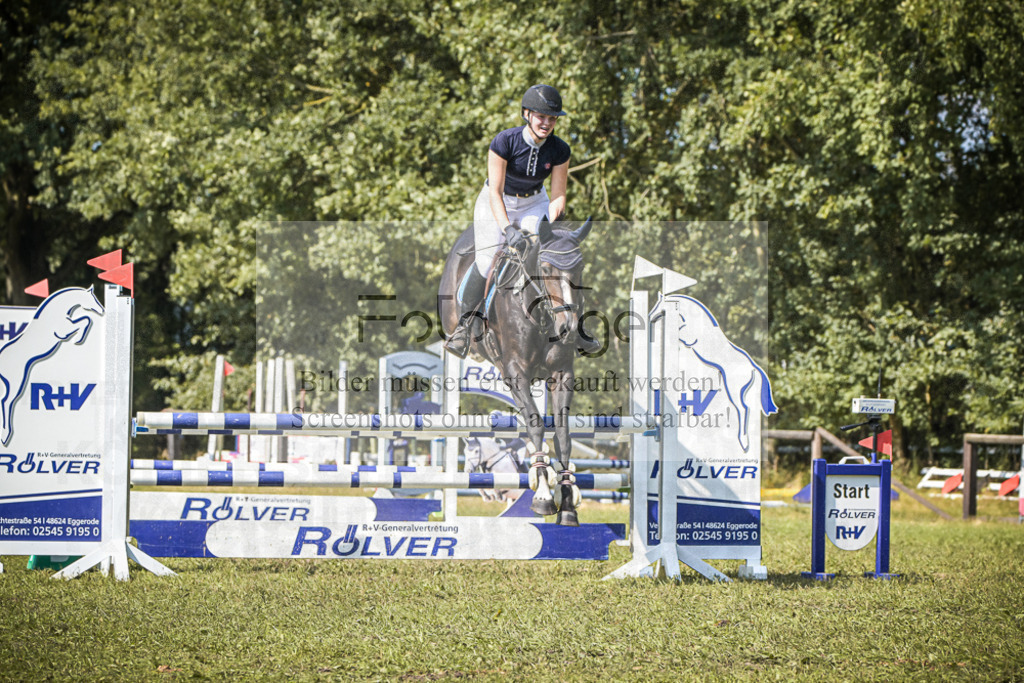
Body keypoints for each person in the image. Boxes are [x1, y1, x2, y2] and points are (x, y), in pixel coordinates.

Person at [445, 84, 600, 358]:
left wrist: (550, 231)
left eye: (552, 119)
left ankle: (577, 328)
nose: (547, 123)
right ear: (527, 114)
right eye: (542, 117)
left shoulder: (559, 149)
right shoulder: (504, 142)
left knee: (556, 258)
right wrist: (507, 228)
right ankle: (464, 326)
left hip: (533, 202)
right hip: (497, 200)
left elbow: (558, 195)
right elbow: (495, 191)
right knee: (486, 260)